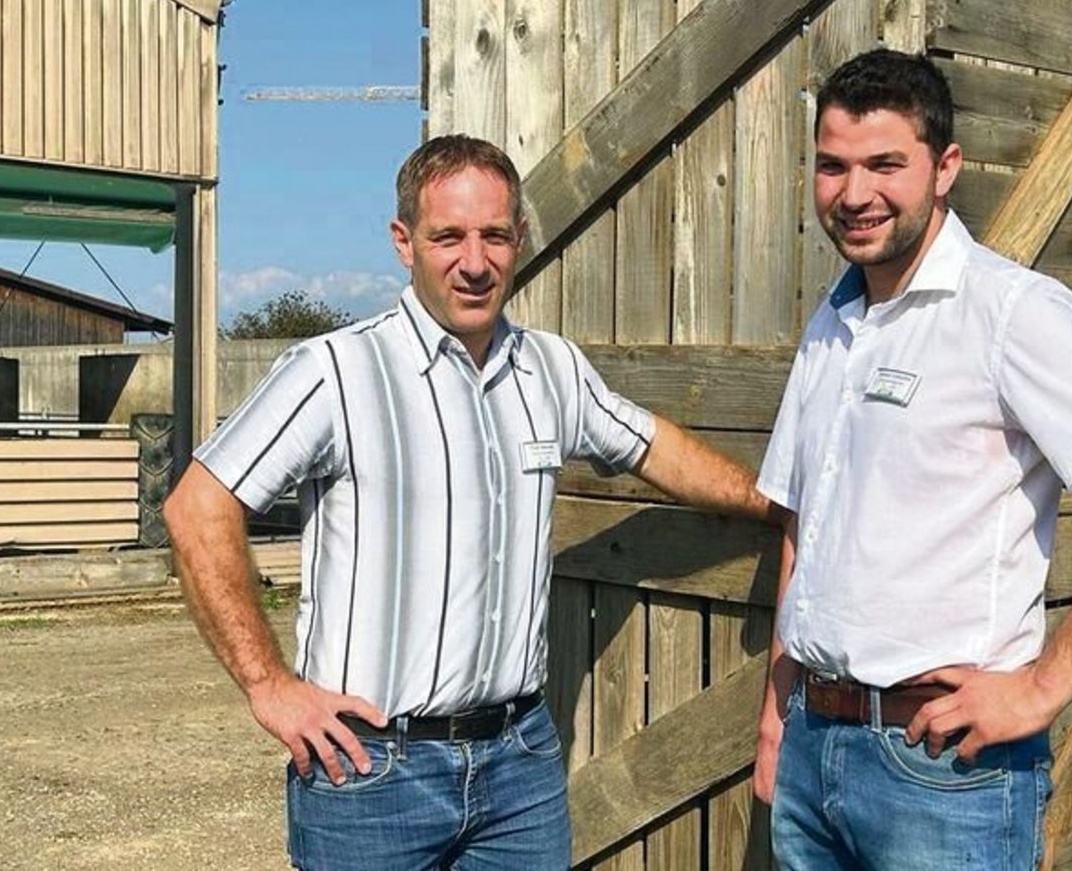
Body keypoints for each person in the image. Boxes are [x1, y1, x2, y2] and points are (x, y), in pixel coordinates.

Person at [164, 134, 772, 871]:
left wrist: (772, 502)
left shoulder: (551, 370)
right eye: (447, 236)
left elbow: (654, 448)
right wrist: (270, 686)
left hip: (518, 765)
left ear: (519, 237)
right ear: (404, 241)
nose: (474, 262)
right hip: (372, 770)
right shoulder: (335, 371)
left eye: (493, 235)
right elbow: (198, 507)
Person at [750, 49, 1072, 870]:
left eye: (885, 164)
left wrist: (1042, 686)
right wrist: (777, 710)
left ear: (945, 168)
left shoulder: (1009, 313)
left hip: (939, 769)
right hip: (812, 745)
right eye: (833, 166)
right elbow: (803, 523)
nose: (854, 194)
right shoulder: (833, 321)